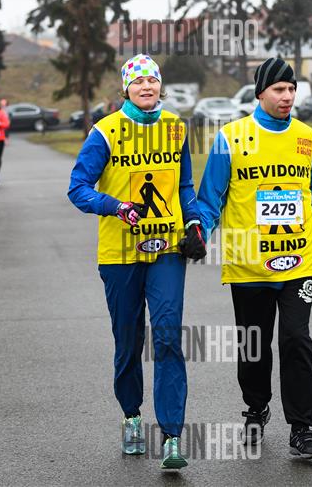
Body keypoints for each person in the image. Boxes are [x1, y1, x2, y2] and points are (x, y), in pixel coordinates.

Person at [197, 58, 312, 459]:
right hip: (249, 263)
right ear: (260, 92)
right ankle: (256, 408)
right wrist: (198, 233)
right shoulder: (230, 138)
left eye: (292, 89)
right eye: (279, 89)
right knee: (254, 345)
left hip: (299, 261)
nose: (288, 96)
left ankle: (303, 428)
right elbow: (211, 200)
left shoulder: (307, 139)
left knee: (296, 338)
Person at [67, 54, 205, 470]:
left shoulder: (176, 127)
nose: (146, 86)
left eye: (152, 80)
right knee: (128, 341)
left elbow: (184, 186)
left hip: (166, 251)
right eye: (138, 81)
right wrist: (115, 206)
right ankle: (131, 416)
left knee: (167, 336)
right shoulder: (105, 131)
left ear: (160, 86)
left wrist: (194, 223)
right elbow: (77, 188)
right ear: (125, 88)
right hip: (120, 254)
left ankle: (172, 437)